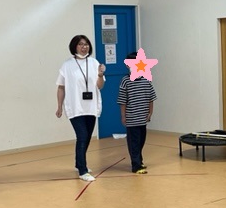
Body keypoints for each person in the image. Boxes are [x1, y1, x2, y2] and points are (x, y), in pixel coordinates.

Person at [56, 35, 106, 182]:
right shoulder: (67, 65)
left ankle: (79, 163)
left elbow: (100, 86)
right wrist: (59, 106)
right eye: (81, 44)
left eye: (86, 44)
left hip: (91, 107)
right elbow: (61, 87)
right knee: (82, 136)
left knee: (87, 136)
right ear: (74, 47)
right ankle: (83, 171)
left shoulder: (94, 62)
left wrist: (100, 75)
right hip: (75, 107)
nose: (84, 47)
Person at [117, 52, 157, 174]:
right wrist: (123, 116)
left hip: (143, 118)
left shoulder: (146, 79)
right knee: (133, 142)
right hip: (132, 118)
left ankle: (139, 160)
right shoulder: (125, 81)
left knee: (141, 141)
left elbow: (151, 98)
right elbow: (122, 100)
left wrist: (150, 112)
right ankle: (136, 165)